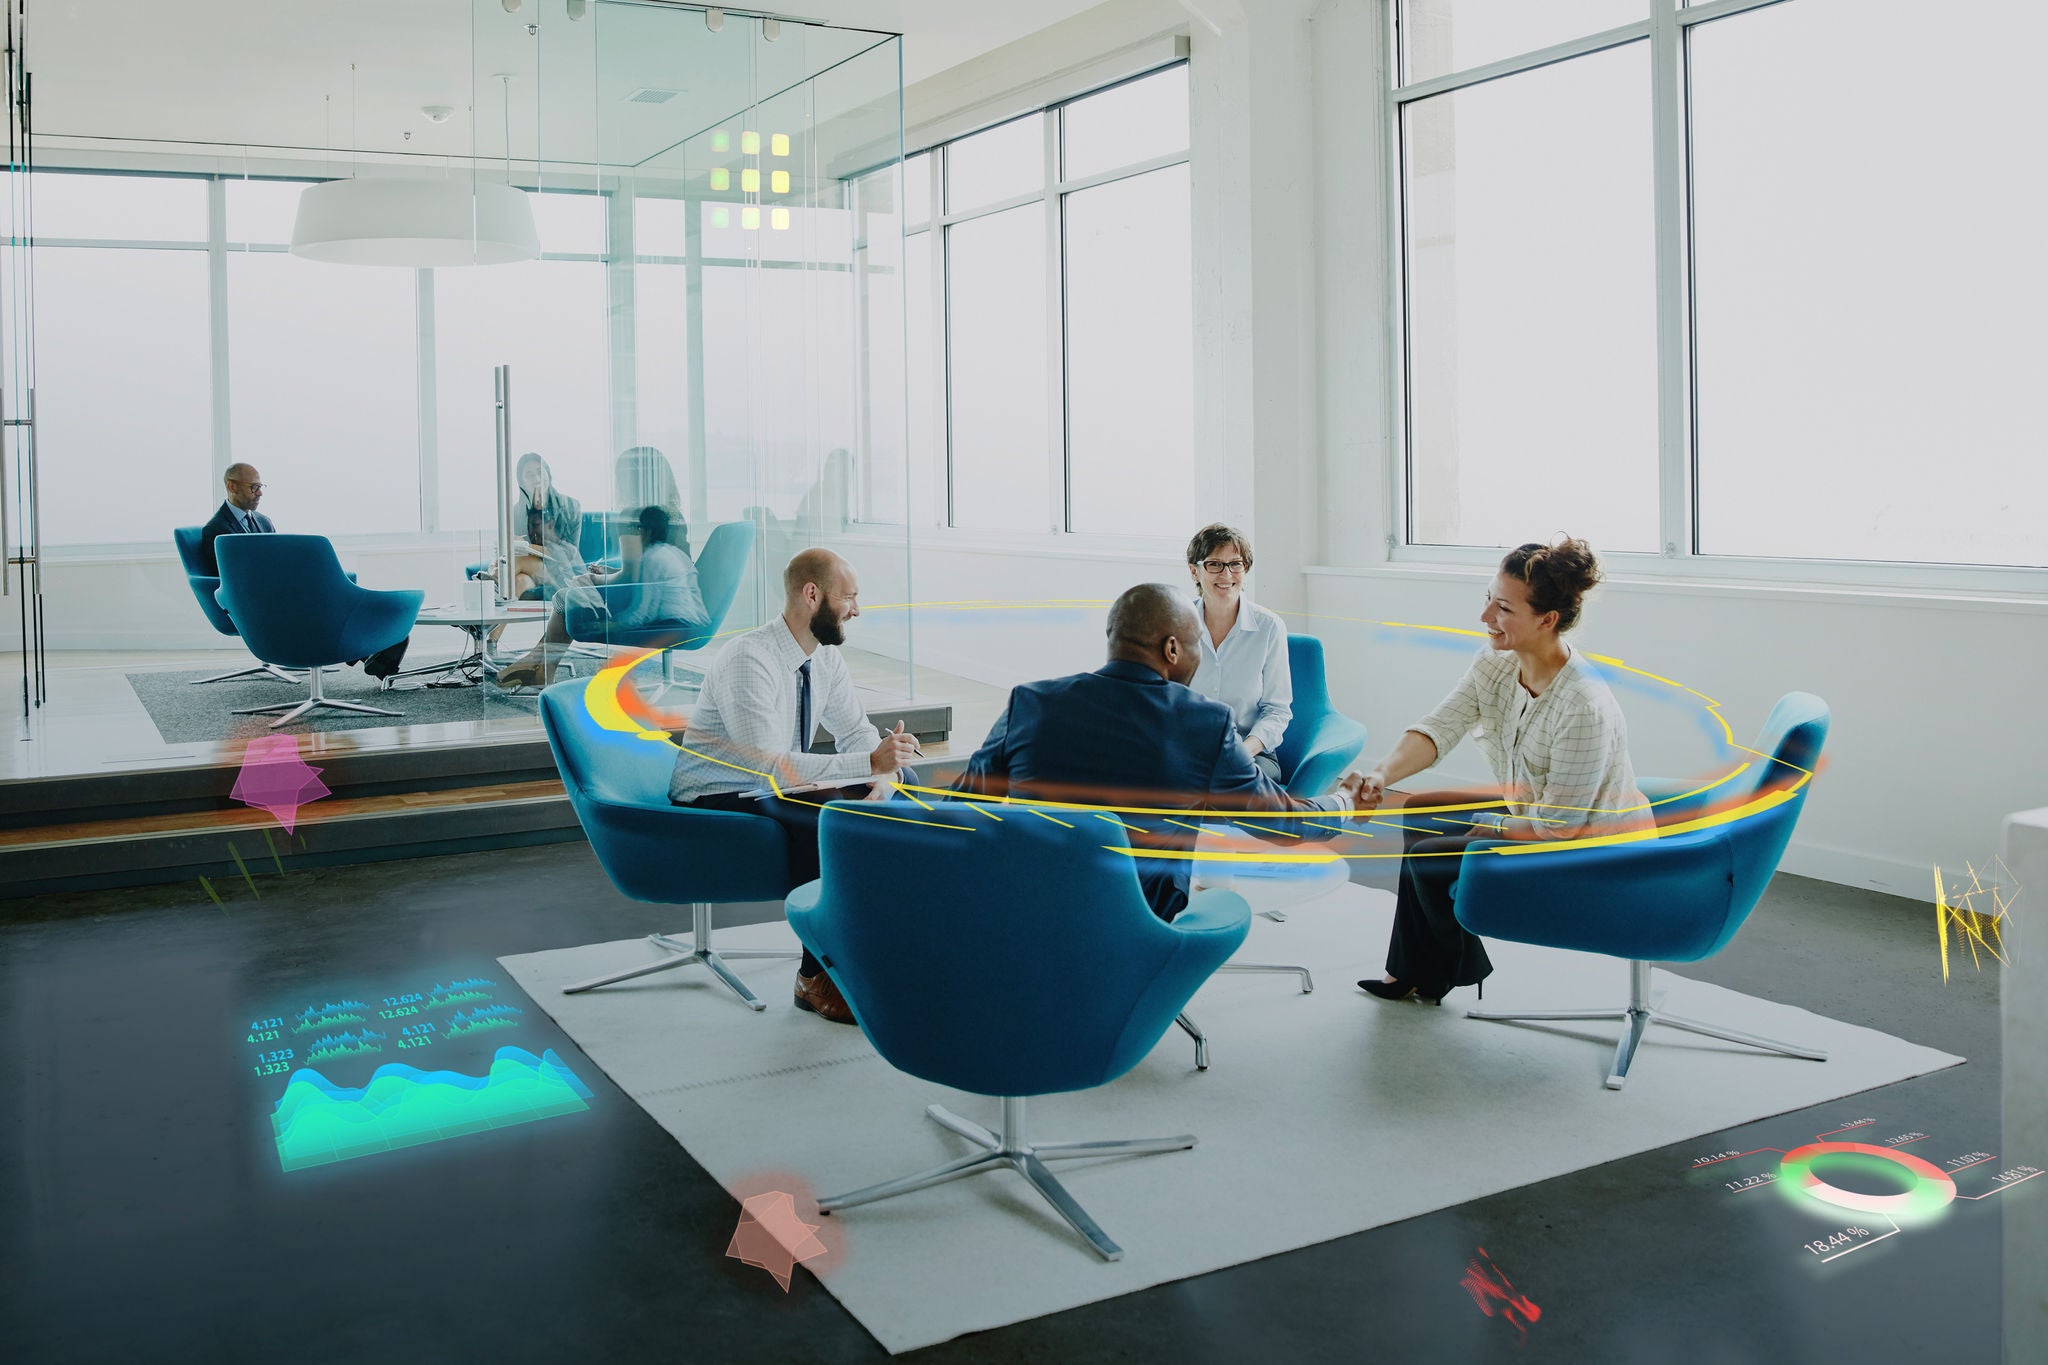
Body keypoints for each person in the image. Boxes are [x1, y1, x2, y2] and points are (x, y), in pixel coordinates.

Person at [1341, 536, 1653, 1005]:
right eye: (1488, 599)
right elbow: (1441, 726)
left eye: (1503, 608)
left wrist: (1486, 824)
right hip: (1536, 813)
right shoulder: (1497, 661)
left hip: (1591, 846)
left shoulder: (1583, 706)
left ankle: (1450, 967)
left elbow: (1559, 829)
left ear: (1547, 620)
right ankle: (1417, 971)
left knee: (1432, 863)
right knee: (1421, 815)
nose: (1485, 617)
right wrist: (1382, 776)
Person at [950, 583, 1351, 925]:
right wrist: (1345, 803)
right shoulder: (1203, 724)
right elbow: (1280, 824)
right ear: (1172, 648)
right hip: (1137, 928)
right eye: (1197, 644)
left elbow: (960, 811)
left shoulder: (1031, 702)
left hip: (1027, 915)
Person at [666, 548, 920, 1024]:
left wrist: (887, 771)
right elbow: (769, 768)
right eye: (849, 598)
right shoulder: (748, 657)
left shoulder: (823, 658)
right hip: (719, 791)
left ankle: (871, 952)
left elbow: (856, 731)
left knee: (903, 787)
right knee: (828, 819)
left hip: (775, 786)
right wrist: (868, 762)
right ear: (812, 595)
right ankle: (814, 976)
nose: (857, 610)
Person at [493, 505, 708, 689]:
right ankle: (540, 666)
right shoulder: (665, 553)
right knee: (565, 596)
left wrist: (612, 626)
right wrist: (605, 575)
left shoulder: (654, 559)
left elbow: (643, 613)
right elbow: (636, 584)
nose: (628, 535)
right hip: (677, 618)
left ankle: (539, 665)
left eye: (632, 529)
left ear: (645, 530)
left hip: (673, 625)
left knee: (566, 598)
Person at [1184, 523, 1292, 783]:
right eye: (1214, 564)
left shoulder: (1269, 627)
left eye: (1236, 564)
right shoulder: (1175, 622)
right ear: (1195, 571)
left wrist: (1242, 752)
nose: (1227, 573)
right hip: (1187, 749)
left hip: (1250, 753)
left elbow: (1277, 711)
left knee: (1230, 781)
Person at [508, 452, 585, 599]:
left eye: (539, 472)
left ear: (548, 474)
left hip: (563, 569)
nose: (537, 479)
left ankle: (495, 576)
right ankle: (497, 623)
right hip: (531, 569)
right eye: (529, 475)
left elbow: (569, 553)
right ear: (522, 482)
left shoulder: (570, 505)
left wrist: (526, 547)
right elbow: (518, 550)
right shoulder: (516, 512)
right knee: (520, 581)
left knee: (515, 564)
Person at [197, 463, 275, 576]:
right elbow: (226, 576)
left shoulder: (265, 522)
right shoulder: (215, 530)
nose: (260, 493)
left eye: (260, 487)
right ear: (231, 487)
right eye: (254, 487)